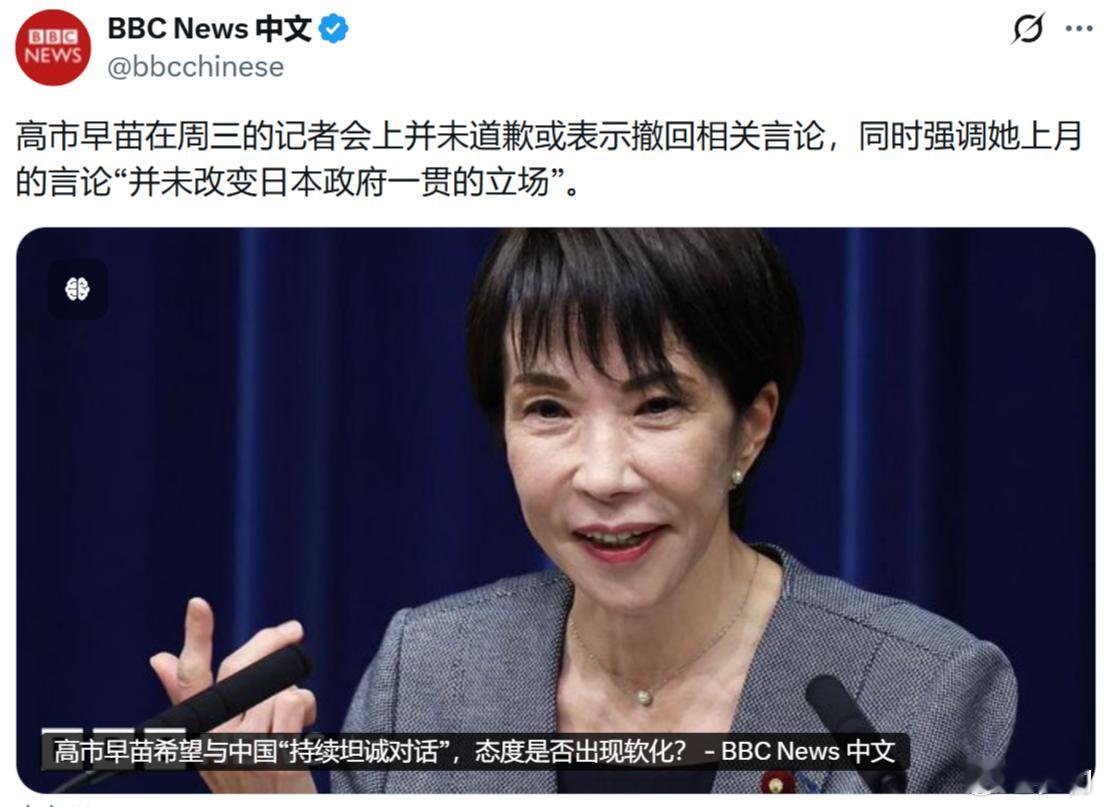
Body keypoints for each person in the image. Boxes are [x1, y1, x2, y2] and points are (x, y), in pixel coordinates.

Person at [151, 229, 1016, 794]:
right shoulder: (432, 674)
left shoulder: (920, 690)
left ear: (750, 427)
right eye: (549, 409)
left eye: (657, 405)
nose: (602, 475)